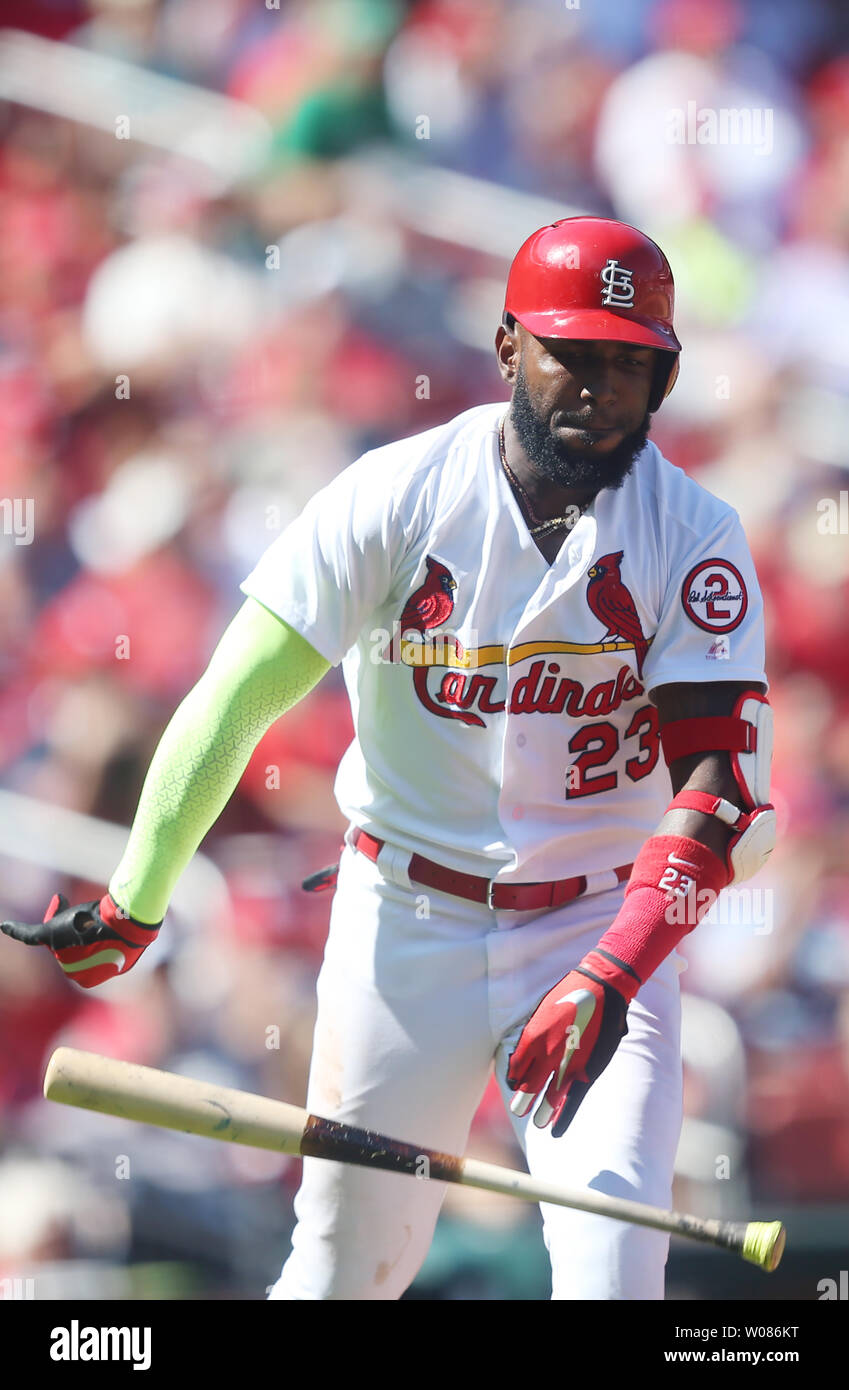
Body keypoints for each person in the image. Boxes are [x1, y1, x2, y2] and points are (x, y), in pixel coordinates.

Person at [1, 218, 775, 1301]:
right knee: (340, 1273)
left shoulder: (694, 533)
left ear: (666, 374)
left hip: (598, 924)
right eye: (574, 353)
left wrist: (614, 967)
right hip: (406, 916)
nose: (601, 387)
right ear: (509, 349)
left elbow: (723, 792)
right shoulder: (397, 492)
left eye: (630, 361)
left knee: (614, 1278)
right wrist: (137, 897)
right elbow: (234, 701)